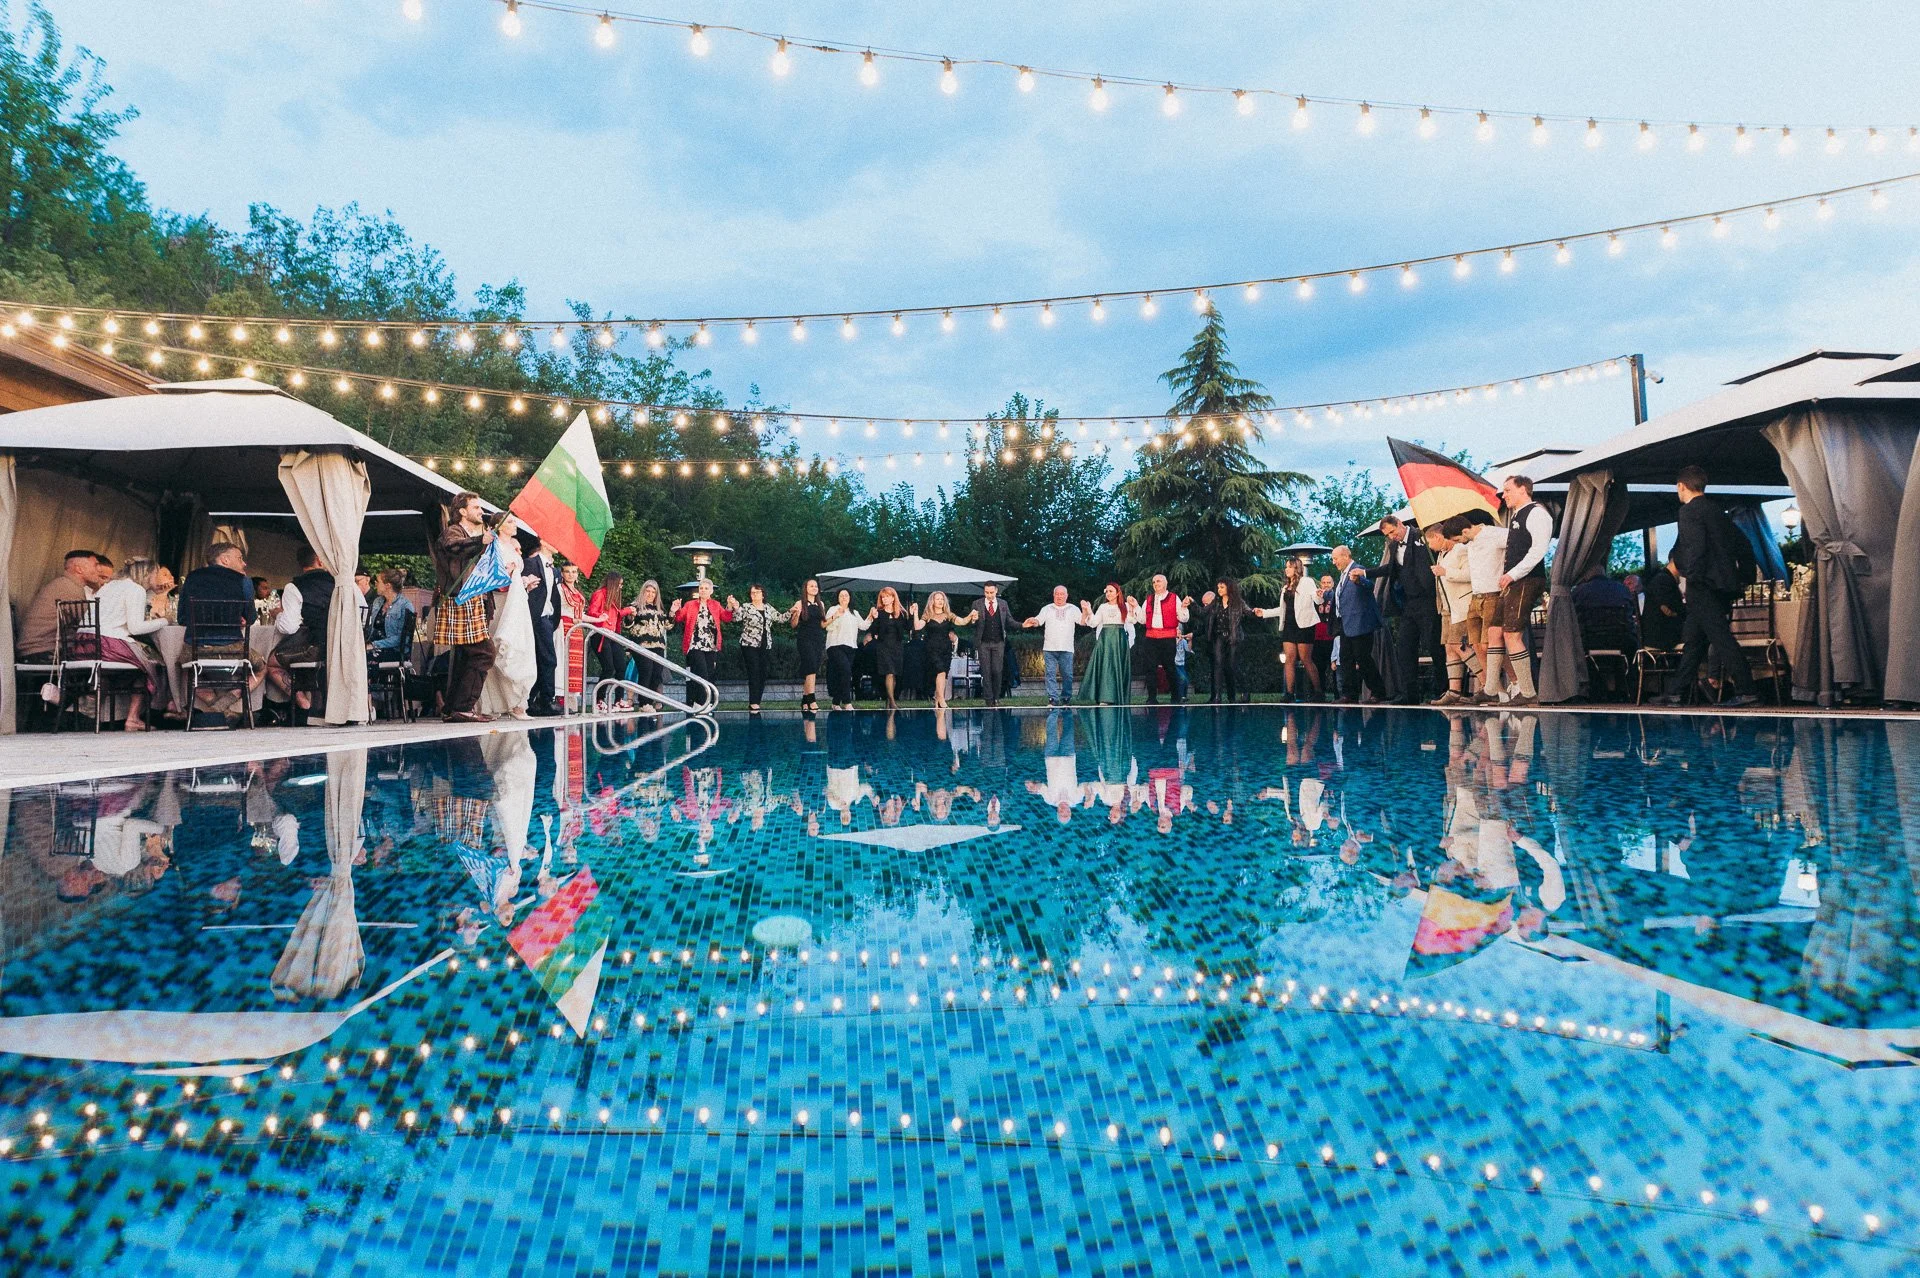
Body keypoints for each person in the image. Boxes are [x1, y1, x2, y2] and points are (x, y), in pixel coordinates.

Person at [1662, 465, 1759, 707]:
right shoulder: (1718, 512)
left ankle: (1747, 689)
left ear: (1681, 486)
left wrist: (1691, 580)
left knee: (1721, 638)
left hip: (1702, 585)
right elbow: (1745, 544)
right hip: (1723, 587)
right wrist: (1745, 577)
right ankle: (1677, 691)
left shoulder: (1688, 512)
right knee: (1694, 640)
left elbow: (1696, 549)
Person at [430, 492, 497, 724]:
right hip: (460, 599)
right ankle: (462, 707)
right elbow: (453, 548)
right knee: (484, 653)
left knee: (465, 655)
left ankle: (453, 707)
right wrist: (480, 542)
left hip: (471, 599)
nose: (481, 511)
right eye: (476, 507)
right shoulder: (453, 532)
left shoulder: (468, 534)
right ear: (462, 511)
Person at [1487, 475, 1554, 706]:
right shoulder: (1517, 515)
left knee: (1512, 634)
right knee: (1494, 631)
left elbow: (1538, 551)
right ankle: (1490, 688)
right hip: (1514, 582)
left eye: (1507, 490)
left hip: (1527, 580)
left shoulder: (1537, 513)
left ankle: (1527, 692)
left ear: (1523, 490)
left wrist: (1512, 574)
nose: (1503, 495)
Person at [1367, 515, 1444, 705]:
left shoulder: (1421, 536)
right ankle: (1409, 694)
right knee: (1404, 647)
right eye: (1387, 535)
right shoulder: (1393, 546)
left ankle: (1443, 690)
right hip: (1409, 603)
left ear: (1400, 524)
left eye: (1392, 532)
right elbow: (1390, 569)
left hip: (1428, 600)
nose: (1391, 536)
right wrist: (1367, 573)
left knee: (1434, 645)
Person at [93, 558, 169, 731]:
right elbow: (136, 628)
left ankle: (127, 717)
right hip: (108, 645)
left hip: (86, 643)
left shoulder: (109, 586)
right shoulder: (135, 589)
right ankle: (139, 715)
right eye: (156, 573)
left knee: (142, 663)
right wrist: (165, 621)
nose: (157, 578)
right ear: (148, 573)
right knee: (154, 663)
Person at [479, 516, 538, 719]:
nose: (515, 525)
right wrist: (507, 572)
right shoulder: (493, 547)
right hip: (499, 603)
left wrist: (524, 582)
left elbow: (513, 578)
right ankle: (492, 704)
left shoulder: (512, 547)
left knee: (519, 647)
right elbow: (488, 576)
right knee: (498, 648)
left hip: (516, 603)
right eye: (510, 521)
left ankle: (516, 702)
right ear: (499, 525)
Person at [266, 544, 333, 720]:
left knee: (271, 663)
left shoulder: (294, 587)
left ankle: (304, 704)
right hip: (343, 646)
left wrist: (278, 614)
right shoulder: (342, 584)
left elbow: (289, 627)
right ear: (320, 561)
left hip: (316, 647)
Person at [18, 549, 104, 662]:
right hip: (42, 652)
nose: (100, 570)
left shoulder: (64, 584)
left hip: (37, 650)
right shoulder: (69, 588)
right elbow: (90, 624)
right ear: (79, 569)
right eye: (95, 565)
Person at [1457, 516, 1508, 701]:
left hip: (1493, 595)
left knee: (1491, 645)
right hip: (1475, 597)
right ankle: (1494, 690)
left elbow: (1519, 544)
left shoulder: (1494, 534)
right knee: (1477, 646)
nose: (1458, 543)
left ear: (1464, 531)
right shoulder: (1470, 543)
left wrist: (1511, 573)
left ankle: (1516, 683)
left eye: (1457, 539)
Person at [1429, 519, 1478, 705]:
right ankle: (1454, 690)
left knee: (1459, 645)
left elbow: (1471, 574)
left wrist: (1445, 572)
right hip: (1446, 608)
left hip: (1461, 606)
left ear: (1437, 537)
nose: (1430, 547)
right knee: (1449, 647)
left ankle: (1486, 682)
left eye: (1430, 542)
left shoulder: (1460, 550)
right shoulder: (1442, 554)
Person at [1331, 546, 1387, 702]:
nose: (1334, 562)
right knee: (1345, 658)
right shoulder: (1342, 575)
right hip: (1345, 623)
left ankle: (1378, 691)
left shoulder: (1358, 569)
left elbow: (1369, 585)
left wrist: (1359, 580)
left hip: (1361, 623)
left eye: (1335, 558)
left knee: (1363, 658)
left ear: (1346, 556)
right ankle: (1349, 694)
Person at [1198, 577, 1266, 704]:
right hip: (1219, 636)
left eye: (1222, 587)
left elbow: (1248, 612)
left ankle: (1245, 692)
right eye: (1218, 587)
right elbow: (1202, 612)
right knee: (1218, 665)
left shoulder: (1238, 602)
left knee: (1232, 666)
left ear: (1229, 588)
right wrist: (1191, 604)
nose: (1219, 590)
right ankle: (1217, 696)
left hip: (1234, 637)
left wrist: (1255, 612)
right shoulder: (1216, 602)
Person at [1023, 585, 1084, 706]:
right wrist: (1033, 621)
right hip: (1049, 648)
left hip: (1067, 648)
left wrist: (1086, 610)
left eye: (1062, 594)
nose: (1059, 596)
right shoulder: (1047, 608)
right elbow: (1038, 621)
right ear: (1053, 595)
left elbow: (1082, 622)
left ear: (1066, 596)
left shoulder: (1073, 609)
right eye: (1057, 594)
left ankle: (1066, 698)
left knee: (1067, 675)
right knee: (1050, 674)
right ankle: (1053, 699)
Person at [1078, 584, 1138, 705]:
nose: (1108, 594)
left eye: (1111, 591)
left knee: (1118, 667)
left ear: (1117, 593)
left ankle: (1118, 697)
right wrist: (1088, 610)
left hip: (1119, 640)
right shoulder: (1103, 607)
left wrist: (1132, 608)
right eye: (1107, 591)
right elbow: (1094, 623)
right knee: (1105, 666)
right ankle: (1104, 698)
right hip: (1105, 640)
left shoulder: (1124, 606)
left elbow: (1132, 620)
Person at [728, 583, 782, 712]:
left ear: (763, 594)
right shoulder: (747, 607)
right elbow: (735, 618)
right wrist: (734, 606)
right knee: (754, 671)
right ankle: (753, 702)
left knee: (763, 672)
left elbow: (780, 618)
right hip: (749, 644)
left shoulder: (768, 608)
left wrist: (793, 611)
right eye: (752, 592)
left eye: (757, 592)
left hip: (765, 644)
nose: (754, 594)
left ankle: (757, 700)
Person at [672, 578, 734, 688]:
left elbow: (726, 618)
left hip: (711, 645)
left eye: (706, 588)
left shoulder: (716, 604)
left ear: (711, 591)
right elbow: (679, 618)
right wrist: (676, 609)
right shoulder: (690, 604)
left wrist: (729, 606)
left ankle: (708, 698)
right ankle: (701, 697)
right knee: (702, 672)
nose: (703, 590)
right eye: (701, 588)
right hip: (695, 644)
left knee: (710, 675)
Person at [523, 537, 561, 716]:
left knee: (546, 659)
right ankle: (544, 699)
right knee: (546, 659)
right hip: (534, 617)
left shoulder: (554, 570)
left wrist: (554, 619)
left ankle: (537, 699)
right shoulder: (530, 563)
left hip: (547, 618)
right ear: (544, 542)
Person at [1276, 558, 1322, 702]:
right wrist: (1264, 613)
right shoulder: (1285, 587)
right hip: (1289, 625)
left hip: (1304, 625)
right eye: (1286, 567)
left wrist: (1319, 595)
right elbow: (1282, 609)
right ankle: (1289, 694)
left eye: (1290, 567)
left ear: (1296, 568)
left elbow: (1317, 599)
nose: (1286, 569)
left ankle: (1318, 692)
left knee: (1305, 658)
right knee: (1289, 658)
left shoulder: (1306, 582)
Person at [1138, 574, 1188, 704]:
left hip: (1167, 638)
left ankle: (1176, 697)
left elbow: (1183, 618)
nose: (1155, 583)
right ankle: (1151, 698)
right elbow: (1142, 620)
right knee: (1150, 668)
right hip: (1151, 638)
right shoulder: (1148, 599)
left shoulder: (1174, 598)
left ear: (1165, 583)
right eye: (1154, 582)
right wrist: (1135, 607)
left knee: (1170, 667)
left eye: (1158, 581)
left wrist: (1183, 607)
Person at [910, 591, 963, 709]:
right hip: (931, 648)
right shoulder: (927, 615)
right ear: (932, 601)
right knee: (940, 671)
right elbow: (917, 626)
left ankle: (938, 699)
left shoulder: (948, 615)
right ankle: (941, 698)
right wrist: (915, 613)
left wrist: (971, 616)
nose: (940, 601)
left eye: (942, 599)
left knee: (944, 674)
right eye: (937, 599)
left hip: (946, 648)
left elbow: (962, 621)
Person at [626, 579, 670, 712]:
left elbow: (668, 625)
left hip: (658, 645)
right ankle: (643, 702)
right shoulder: (635, 606)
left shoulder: (660, 609)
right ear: (643, 592)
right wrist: (631, 616)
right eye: (648, 591)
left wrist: (673, 612)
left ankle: (649, 702)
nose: (650, 594)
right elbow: (627, 624)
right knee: (646, 671)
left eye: (653, 592)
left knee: (657, 674)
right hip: (641, 645)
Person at [862, 586, 910, 708]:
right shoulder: (880, 613)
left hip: (897, 646)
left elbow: (908, 627)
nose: (884, 599)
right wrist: (874, 618)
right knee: (889, 672)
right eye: (883, 597)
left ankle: (888, 701)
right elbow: (873, 631)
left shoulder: (900, 613)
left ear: (893, 598)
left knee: (894, 674)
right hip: (883, 646)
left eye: (887, 596)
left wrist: (912, 614)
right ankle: (892, 702)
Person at [971, 582, 1016, 707]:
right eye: (986, 592)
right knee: (986, 671)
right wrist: (973, 620)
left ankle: (997, 697)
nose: (989, 595)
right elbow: (972, 624)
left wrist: (1022, 625)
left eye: (991, 592)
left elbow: (1010, 621)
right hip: (983, 643)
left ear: (996, 591)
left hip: (999, 642)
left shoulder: (1003, 604)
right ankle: (988, 699)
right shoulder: (977, 604)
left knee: (997, 670)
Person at [823, 588, 869, 708]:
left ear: (850, 598)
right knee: (846, 671)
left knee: (843, 674)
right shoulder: (833, 609)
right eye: (841, 595)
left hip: (851, 647)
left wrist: (871, 615)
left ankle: (835, 702)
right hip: (835, 646)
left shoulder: (854, 612)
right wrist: (836, 616)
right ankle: (847, 702)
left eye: (846, 595)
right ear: (838, 598)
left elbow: (863, 626)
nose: (844, 597)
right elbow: (827, 626)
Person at [585, 571, 632, 689]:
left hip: (612, 635)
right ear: (613, 583)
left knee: (621, 667)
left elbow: (617, 614)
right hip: (601, 634)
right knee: (608, 668)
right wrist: (601, 617)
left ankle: (618, 697)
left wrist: (628, 610)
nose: (621, 587)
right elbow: (591, 612)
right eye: (619, 584)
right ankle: (599, 697)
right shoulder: (600, 594)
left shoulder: (614, 598)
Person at [787, 578, 828, 713]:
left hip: (818, 638)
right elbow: (793, 625)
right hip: (805, 639)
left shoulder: (821, 604)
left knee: (813, 667)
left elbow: (822, 624)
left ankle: (804, 699)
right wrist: (796, 614)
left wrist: (835, 617)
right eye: (811, 586)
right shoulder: (799, 603)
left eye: (816, 586)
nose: (814, 588)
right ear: (806, 588)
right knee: (810, 667)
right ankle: (812, 699)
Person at [368, 568, 415, 659]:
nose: (375, 584)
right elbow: (372, 628)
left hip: (394, 651)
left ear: (388, 586)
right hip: (374, 647)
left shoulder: (405, 606)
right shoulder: (377, 601)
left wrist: (374, 645)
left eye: (378, 582)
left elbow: (403, 638)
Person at [1642, 561, 1686, 651]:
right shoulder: (1663, 580)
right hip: (1662, 638)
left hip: (1660, 635)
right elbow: (1671, 609)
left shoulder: (1662, 579)